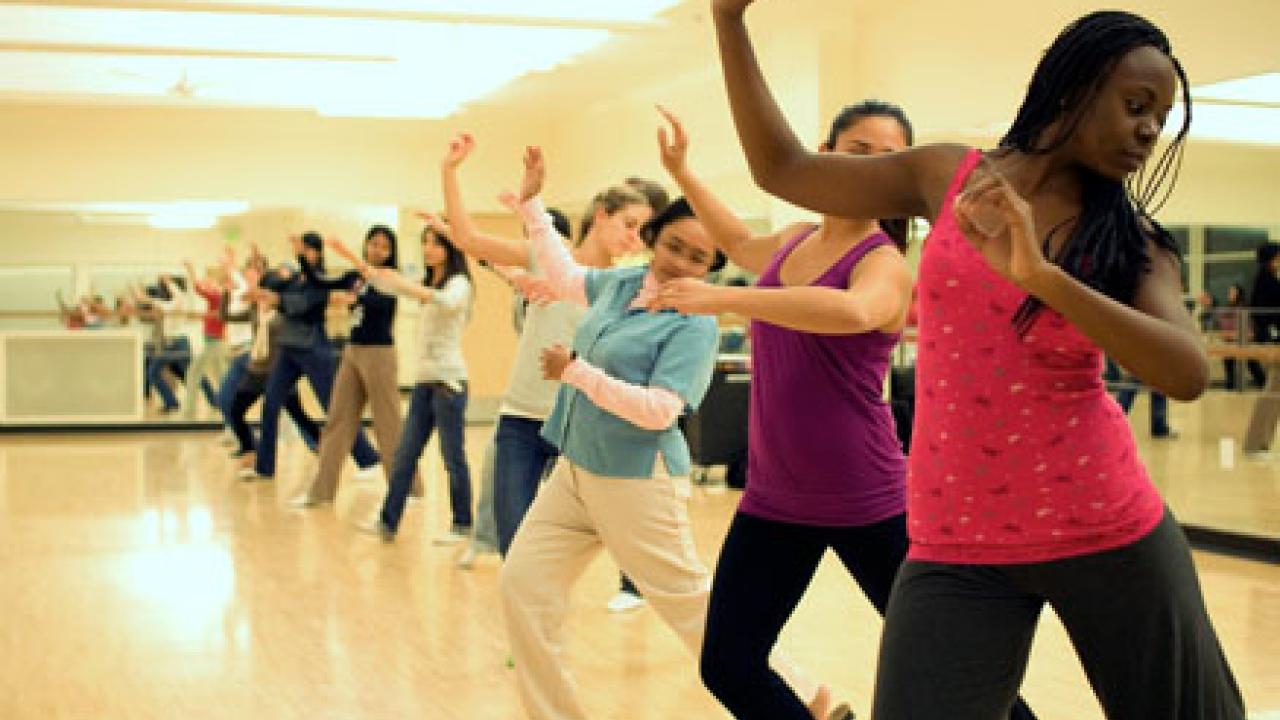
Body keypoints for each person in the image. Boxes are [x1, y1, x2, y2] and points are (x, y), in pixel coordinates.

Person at [711, 3, 1244, 718]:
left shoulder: (1131, 241)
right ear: (1074, 88)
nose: (1150, 129)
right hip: (956, 542)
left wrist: (1044, 280)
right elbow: (782, 169)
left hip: (1107, 529)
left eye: (1162, 117)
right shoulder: (949, 176)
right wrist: (728, 22)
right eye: (1136, 105)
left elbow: (1187, 373)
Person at [651, 103, 1037, 720]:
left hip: (867, 498)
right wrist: (684, 173)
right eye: (857, 150)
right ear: (822, 151)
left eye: (888, 157)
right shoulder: (797, 240)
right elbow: (738, 242)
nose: (872, 167)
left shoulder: (882, 262)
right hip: (775, 498)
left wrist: (723, 298)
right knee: (728, 662)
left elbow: (856, 312)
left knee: (952, 668)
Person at [430, 132, 652, 558]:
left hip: (578, 427)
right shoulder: (549, 256)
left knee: (580, 544)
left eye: (644, 232)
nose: (635, 239)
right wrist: (449, 170)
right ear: (602, 215)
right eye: (629, 225)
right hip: (521, 423)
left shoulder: (626, 288)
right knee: (516, 549)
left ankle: (628, 587)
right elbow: (467, 239)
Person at [292, 226, 422, 508]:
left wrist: (357, 296)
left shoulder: (389, 277)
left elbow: (380, 304)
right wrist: (303, 258)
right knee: (337, 420)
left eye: (383, 247)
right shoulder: (355, 277)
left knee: (387, 423)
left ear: (391, 252)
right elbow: (320, 282)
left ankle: (408, 490)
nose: (377, 250)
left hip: (379, 354)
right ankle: (321, 493)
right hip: (353, 352)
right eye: (373, 244)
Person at [363, 223, 475, 543]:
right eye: (424, 242)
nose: (428, 249)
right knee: (405, 454)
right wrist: (367, 268)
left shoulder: (459, 284)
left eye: (435, 243)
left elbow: (446, 302)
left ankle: (462, 523)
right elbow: (391, 287)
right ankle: (388, 521)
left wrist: (405, 285)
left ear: (449, 250)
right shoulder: (429, 283)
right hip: (425, 383)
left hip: (449, 384)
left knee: (453, 457)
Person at [249, 233, 381, 480]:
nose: (307, 254)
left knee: (334, 407)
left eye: (310, 250)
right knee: (270, 404)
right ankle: (264, 467)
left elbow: (302, 304)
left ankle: (369, 459)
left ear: (319, 253)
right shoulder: (296, 277)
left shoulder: (321, 280)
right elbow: (271, 285)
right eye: (303, 250)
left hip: (313, 349)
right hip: (289, 348)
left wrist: (279, 300)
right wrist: (261, 267)